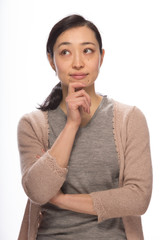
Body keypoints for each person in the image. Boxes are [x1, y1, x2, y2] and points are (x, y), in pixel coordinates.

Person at [17, 14, 152, 240]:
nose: (78, 62)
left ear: (101, 56)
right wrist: (71, 124)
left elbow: (138, 199)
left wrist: (60, 199)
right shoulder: (32, 125)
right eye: (65, 52)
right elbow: (38, 191)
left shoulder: (129, 119)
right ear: (51, 61)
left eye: (88, 50)